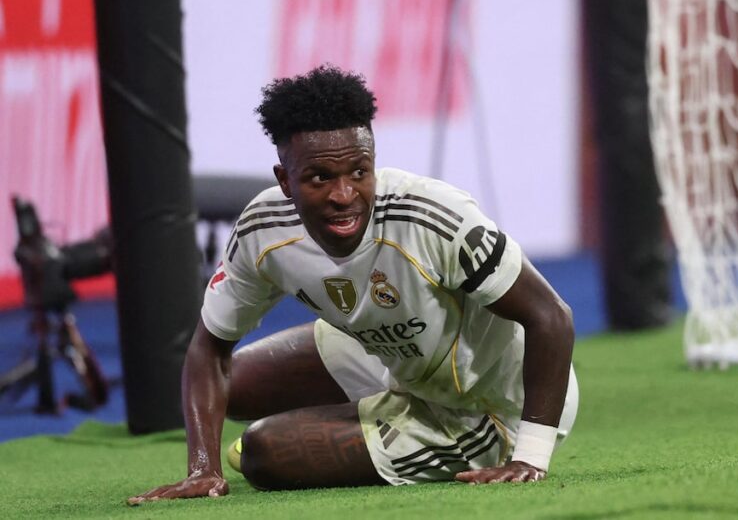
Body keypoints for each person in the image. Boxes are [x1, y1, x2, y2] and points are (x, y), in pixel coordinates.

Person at [127, 65, 578, 504]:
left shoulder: (432, 216)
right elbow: (210, 348)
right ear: (285, 180)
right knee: (238, 385)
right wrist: (203, 468)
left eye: (359, 172)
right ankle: (384, 410)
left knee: (262, 453)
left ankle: (407, 425)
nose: (344, 195)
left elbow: (551, 316)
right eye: (320, 177)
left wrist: (530, 457)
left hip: (490, 404)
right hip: (395, 358)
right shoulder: (263, 229)